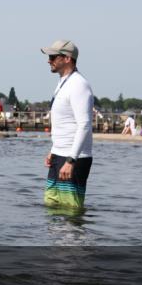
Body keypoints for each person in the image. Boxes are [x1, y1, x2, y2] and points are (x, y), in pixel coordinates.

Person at [41, 40, 94, 209]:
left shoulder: (79, 85)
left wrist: (71, 161)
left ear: (67, 58)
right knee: (51, 206)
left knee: (70, 211)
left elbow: (84, 125)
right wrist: (54, 150)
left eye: (53, 57)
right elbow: (64, 122)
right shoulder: (63, 82)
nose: (49, 60)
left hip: (74, 158)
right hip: (59, 155)